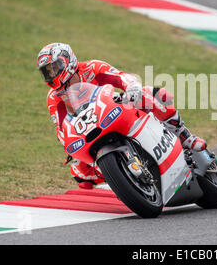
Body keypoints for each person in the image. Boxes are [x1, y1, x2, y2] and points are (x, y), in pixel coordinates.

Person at [37, 42, 207, 189]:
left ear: (67, 60)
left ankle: (184, 136)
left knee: (153, 94)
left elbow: (120, 77)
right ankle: (124, 177)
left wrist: (132, 87)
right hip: (88, 129)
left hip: (113, 108)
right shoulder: (53, 97)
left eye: (54, 67)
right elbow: (60, 127)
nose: (52, 74)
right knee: (81, 176)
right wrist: (66, 140)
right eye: (47, 71)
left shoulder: (92, 67)